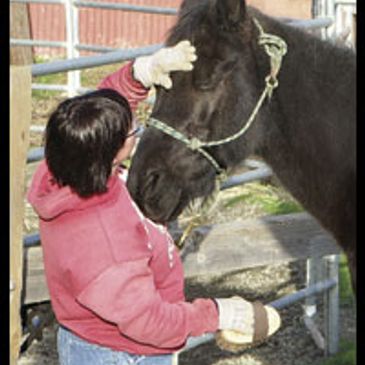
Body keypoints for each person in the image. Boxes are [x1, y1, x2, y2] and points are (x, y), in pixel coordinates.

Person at [27, 40, 281, 365]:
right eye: (132, 131)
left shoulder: (66, 162)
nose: (138, 129)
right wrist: (219, 315)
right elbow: (150, 322)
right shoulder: (103, 243)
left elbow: (98, 110)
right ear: (110, 151)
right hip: (120, 354)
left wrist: (139, 75)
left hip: (106, 340)